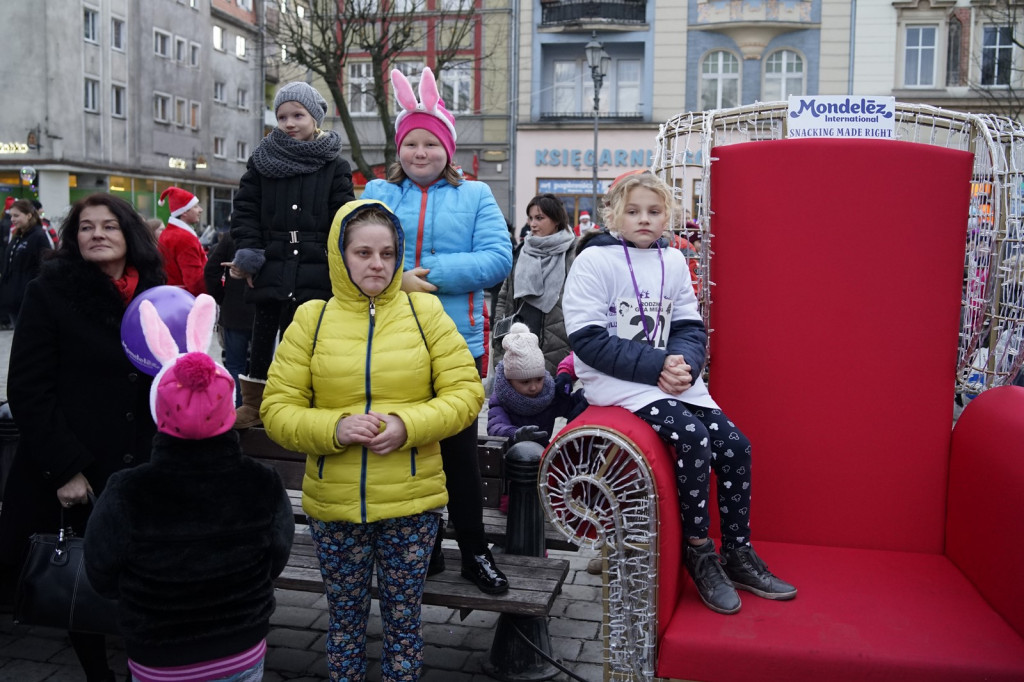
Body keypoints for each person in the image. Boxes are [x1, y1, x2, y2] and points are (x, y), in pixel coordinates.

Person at [261, 200, 484, 680]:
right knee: (343, 623)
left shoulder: (425, 312)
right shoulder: (311, 319)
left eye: (386, 253)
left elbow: (466, 394)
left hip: (411, 503)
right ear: (340, 255)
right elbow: (277, 411)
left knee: (404, 624)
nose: (377, 264)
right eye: (363, 252)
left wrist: (408, 425)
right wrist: (333, 429)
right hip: (334, 505)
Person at [562, 171, 796, 615]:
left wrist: (683, 364)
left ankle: (738, 551)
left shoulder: (672, 261)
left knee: (735, 445)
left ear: (667, 215)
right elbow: (587, 339)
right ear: (613, 214)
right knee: (692, 437)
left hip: (668, 376)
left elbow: (689, 325)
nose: (644, 220)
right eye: (633, 212)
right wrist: (656, 366)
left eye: (654, 211)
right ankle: (698, 549)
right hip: (617, 381)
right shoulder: (593, 261)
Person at [85, 293, 294, 682]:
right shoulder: (262, 482)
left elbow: (100, 572)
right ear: (228, 409)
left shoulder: (126, 491)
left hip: (158, 655)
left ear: (157, 410)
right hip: (241, 647)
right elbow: (276, 557)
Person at [0, 193, 165, 681]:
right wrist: (65, 466)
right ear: (73, 238)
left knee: (143, 574)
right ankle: (99, 673)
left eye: (109, 226)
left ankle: (147, 667)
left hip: (142, 465)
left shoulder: (154, 289)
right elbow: (27, 388)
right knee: (81, 576)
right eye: (86, 227)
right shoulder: (50, 290)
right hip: (79, 464)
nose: (97, 234)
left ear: (128, 235)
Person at [360, 66, 512, 594]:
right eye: (410, 143)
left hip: (456, 344)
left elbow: (497, 259)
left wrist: (426, 277)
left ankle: (474, 550)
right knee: (406, 449)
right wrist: (395, 279)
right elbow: (352, 252)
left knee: (457, 453)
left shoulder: (476, 196)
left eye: (430, 143)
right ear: (398, 148)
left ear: (447, 148)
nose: (419, 152)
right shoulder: (378, 191)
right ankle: (421, 549)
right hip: (391, 340)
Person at [228, 80, 355, 429]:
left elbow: (343, 214)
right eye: (282, 116)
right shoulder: (262, 160)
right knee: (263, 334)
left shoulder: (334, 164)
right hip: (272, 258)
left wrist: (344, 259)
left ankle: (306, 400)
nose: (289, 123)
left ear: (315, 118)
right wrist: (249, 250)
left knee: (309, 338)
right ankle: (254, 403)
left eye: (298, 114)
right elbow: (246, 210)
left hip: (316, 263)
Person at [492, 193, 575, 375]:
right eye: (530, 218)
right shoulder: (522, 249)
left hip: (556, 340)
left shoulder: (572, 252)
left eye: (539, 218)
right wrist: (499, 329)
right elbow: (505, 295)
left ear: (556, 220)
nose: (533, 224)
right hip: (518, 334)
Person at [487, 322, 581, 444]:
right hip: (511, 452)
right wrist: (514, 434)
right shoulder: (501, 399)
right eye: (525, 382)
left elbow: (571, 406)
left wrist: (584, 396)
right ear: (510, 380)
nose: (533, 387)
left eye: (539, 379)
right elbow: (495, 426)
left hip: (541, 451)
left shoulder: (549, 393)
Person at [204, 229, 256, 406]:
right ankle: (257, 409)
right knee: (261, 366)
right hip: (263, 310)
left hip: (235, 311)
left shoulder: (232, 236)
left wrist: (222, 298)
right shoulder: (272, 234)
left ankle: (237, 407)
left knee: (235, 365)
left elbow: (211, 270)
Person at [0, 199, 53, 328]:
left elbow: (46, 266)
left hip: (28, 299)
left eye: (16, 215)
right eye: (11, 215)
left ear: (29, 215)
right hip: (12, 300)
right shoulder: (17, 236)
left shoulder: (38, 236)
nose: (12, 219)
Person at [157, 186, 207, 296]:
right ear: (184, 212)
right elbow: (195, 282)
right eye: (195, 206)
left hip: (170, 296)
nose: (200, 210)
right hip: (186, 300)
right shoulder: (185, 238)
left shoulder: (168, 233)